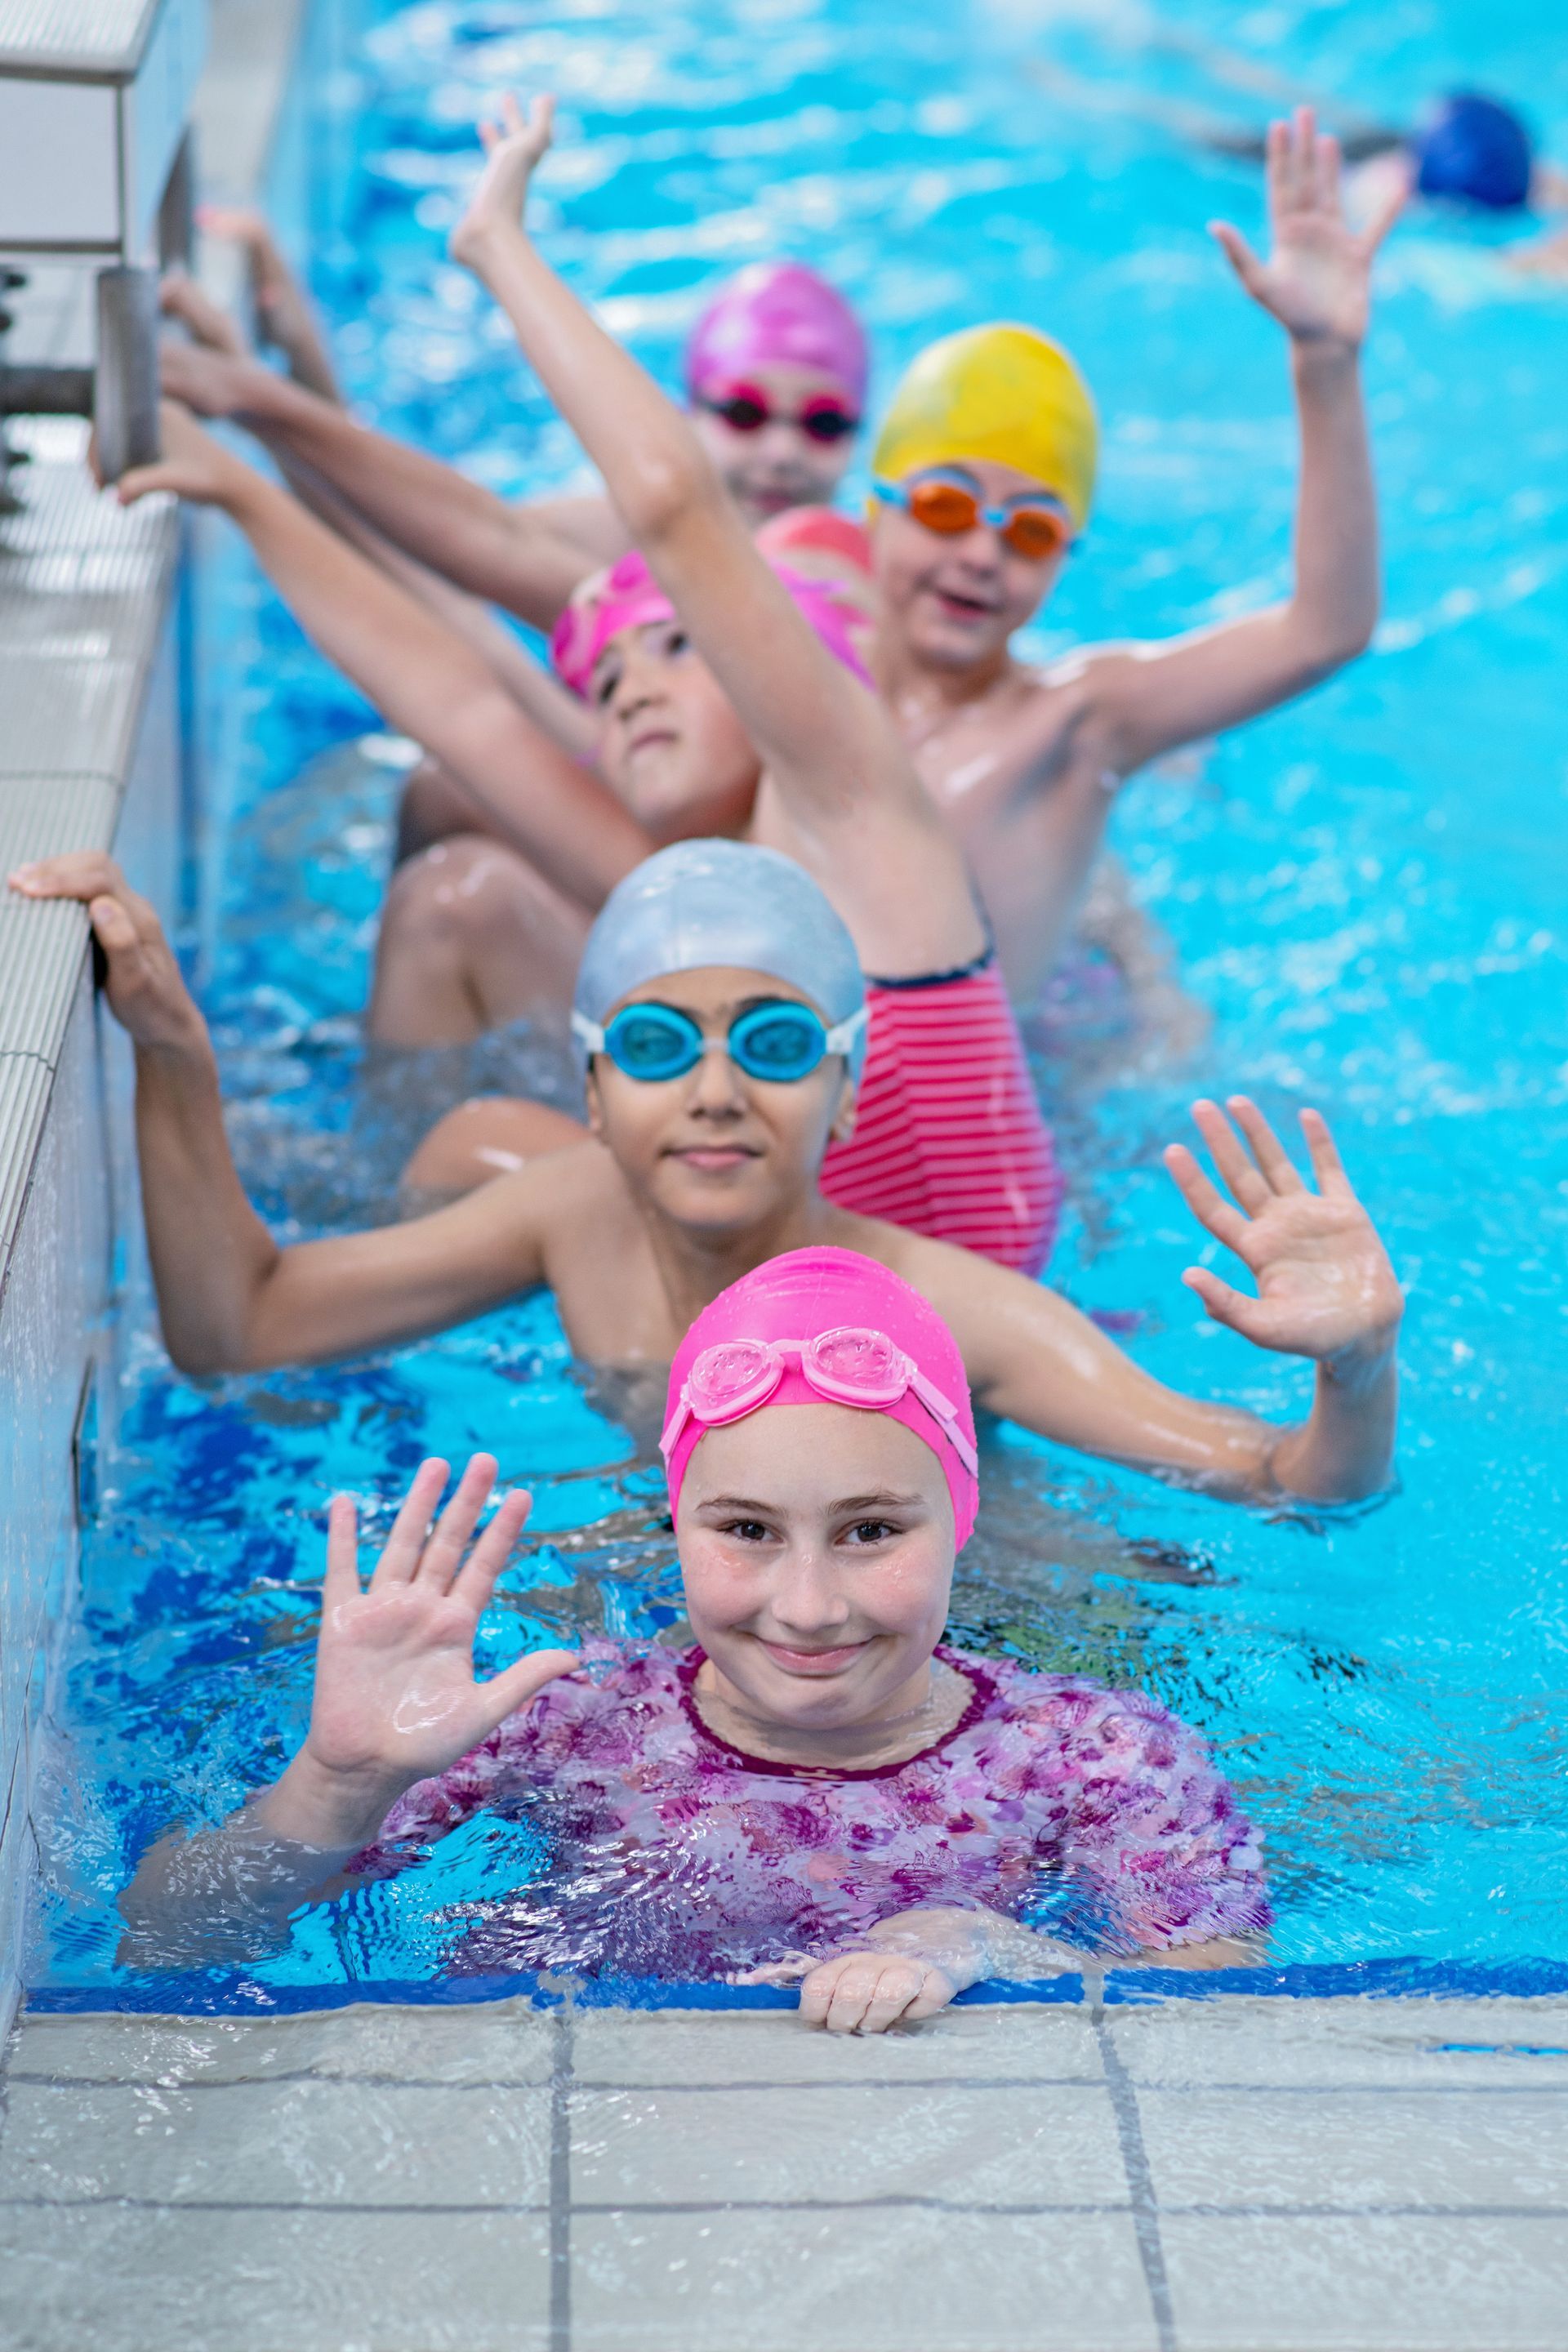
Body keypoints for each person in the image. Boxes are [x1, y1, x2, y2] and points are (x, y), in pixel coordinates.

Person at [127, 90, 1063, 1272]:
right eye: (609, 687)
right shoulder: (704, 900)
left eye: (679, 650)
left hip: (966, 1360)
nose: (631, 698)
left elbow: (672, 508)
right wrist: (246, 492)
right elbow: (454, 694)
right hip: (786, 1314)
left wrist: (501, 250)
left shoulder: (859, 818)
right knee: (475, 1134)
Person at [10, 837, 1403, 1519]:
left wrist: (1354, 1371)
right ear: (595, 1089)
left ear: (849, 1091)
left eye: (780, 1045)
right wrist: (174, 1054)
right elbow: (236, 1328)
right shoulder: (569, 1217)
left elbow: (1279, 1479)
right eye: (663, 1045)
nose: (720, 1091)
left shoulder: (940, 1307)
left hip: (963, 1600)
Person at [117, 1252, 1272, 2020]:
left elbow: (1229, 2013)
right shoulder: (563, 1722)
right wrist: (337, 1782)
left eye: (871, 1530)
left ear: (961, 1518)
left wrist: (980, 1945)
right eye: (747, 1531)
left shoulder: (1093, 1754)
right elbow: (167, 1941)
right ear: (673, 1525)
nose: (809, 1605)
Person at [865, 107, 1404, 1009]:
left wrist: (1323, 364)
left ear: (1067, 556)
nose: (981, 553)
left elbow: (1328, 630)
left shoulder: (1079, 723)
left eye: (1031, 530)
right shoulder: (799, 677)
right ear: (871, 512)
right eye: (945, 506)